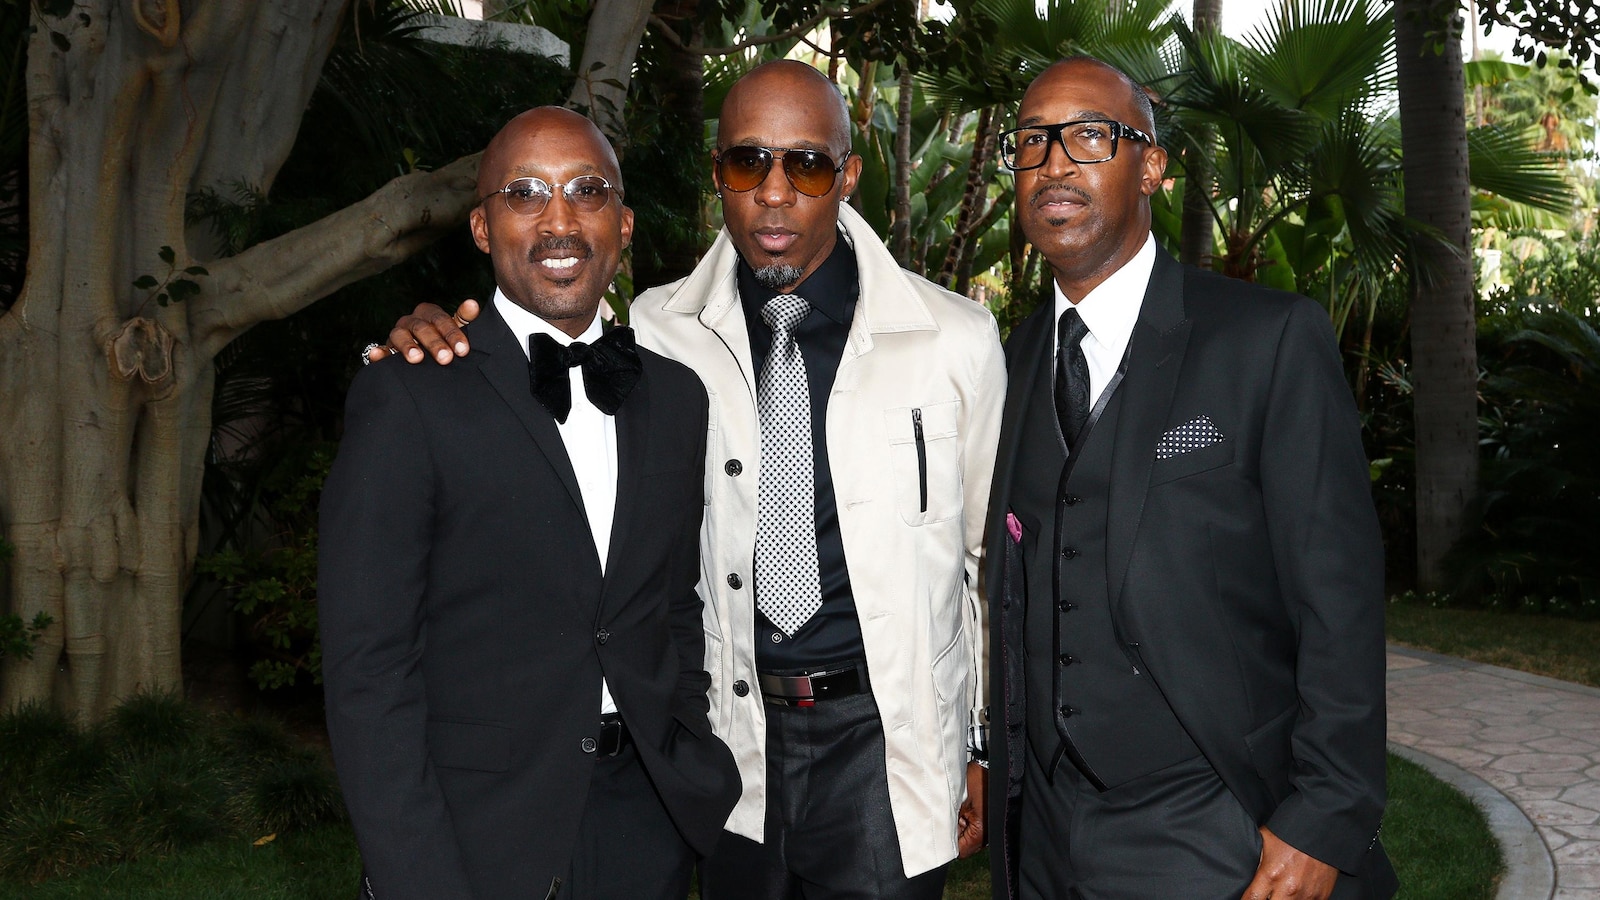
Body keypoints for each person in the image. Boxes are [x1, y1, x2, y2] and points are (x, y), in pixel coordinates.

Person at [375, 61, 1006, 899]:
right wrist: (434, 332)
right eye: (748, 163)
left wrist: (985, 744)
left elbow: (989, 568)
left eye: (807, 165)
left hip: (888, 743)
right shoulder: (655, 331)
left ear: (848, 175)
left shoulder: (956, 340)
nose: (774, 193)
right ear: (718, 175)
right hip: (728, 741)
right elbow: (539, 342)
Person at [982, 57, 1397, 899]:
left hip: (1211, 821)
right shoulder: (1010, 358)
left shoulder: (1267, 339)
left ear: (1152, 167)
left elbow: (1340, 597)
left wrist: (1327, 811)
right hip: (1045, 831)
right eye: (1031, 140)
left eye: (1089, 136)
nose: (1053, 163)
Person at [318, 106, 739, 900]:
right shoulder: (408, 395)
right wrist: (416, 877)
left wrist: (686, 754)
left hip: (646, 826)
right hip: (476, 835)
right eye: (525, 194)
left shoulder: (678, 398)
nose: (559, 221)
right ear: (482, 228)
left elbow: (671, 608)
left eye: (586, 191)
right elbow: (368, 670)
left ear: (623, 223)